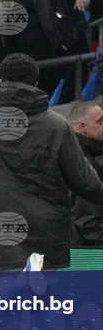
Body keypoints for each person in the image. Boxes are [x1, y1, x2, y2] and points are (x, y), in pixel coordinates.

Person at [0, 54, 103, 270]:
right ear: (36, 84)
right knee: (41, 292)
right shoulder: (58, 126)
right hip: (46, 242)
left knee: (2, 292)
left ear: (1, 81)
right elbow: (86, 183)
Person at [69, 100, 103, 245]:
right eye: (100, 121)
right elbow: (88, 219)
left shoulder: (89, 154)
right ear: (83, 127)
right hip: (87, 250)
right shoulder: (80, 161)